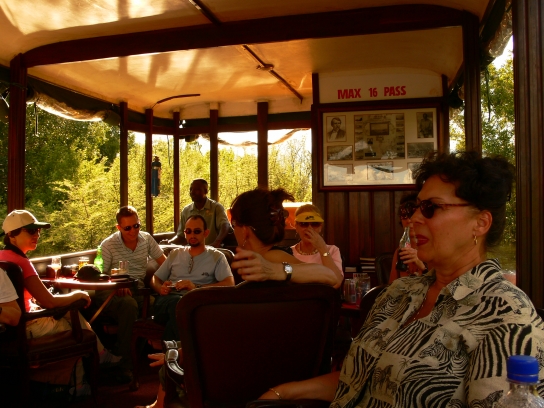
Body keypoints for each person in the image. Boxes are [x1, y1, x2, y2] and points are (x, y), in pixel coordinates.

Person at [259, 151, 544, 406]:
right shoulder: (400, 292)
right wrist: (284, 392)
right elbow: (359, 380)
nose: (415, 218)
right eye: (417, 207)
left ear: (480, 223)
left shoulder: (506, 315)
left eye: (431, 208)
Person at [136, 188, 339, 408]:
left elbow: (239, 346)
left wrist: (179, 355)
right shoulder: (289, 268)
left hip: (233, 388)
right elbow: (333, 279)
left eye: (234, 225)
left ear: (245, 231)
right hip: (293, 379)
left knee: (174, 357)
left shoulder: (264, 274)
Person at [0, 210, 119, 387]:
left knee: (70, 313)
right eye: (31, 231)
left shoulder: (3, 257)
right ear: (11, 235)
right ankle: (79, 384)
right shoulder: (21, 262)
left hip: (12, 328)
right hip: (28, 325)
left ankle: (99, 359)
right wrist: (77, 295)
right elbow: (49, 302)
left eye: (38, 231)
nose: (37, 235)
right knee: (76, 329)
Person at [96, 205, 167, 381]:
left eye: (136, 226)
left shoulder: (146, 239)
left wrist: (170, 280)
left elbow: (164, 263)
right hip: (111, 290)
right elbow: (99, 276)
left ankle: (134, 355)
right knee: (129, 305)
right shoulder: (108, 245)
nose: (133, 231)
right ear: (118, 227)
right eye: (128, 228)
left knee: (157, 305)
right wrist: (117, 284)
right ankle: (124, 363)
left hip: (137, 289)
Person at [152, 214, 234, 341]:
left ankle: (170, 349)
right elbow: (155, 278)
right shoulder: (175, 254)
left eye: (197, 231)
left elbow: (229, 284)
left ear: (206, 233)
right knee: (179, 305)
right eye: (188, 231)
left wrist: (196, 287)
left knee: (181, 312)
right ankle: (185, 349)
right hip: (168, 300)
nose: (192, 235)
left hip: (197, 302)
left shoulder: (217, 256)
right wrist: (160, 288)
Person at [169, 179, 230, 247]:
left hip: (211, 250)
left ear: (206, 191)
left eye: (197, 189)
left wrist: (217, 242)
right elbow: (180, 236)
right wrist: (169, 242)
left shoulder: (216, 207)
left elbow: (225, 225)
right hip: (191, 250)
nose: (192, 192)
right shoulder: (186, 210)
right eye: (191, 189)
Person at [291, 204, 343, 284]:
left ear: (320, 227)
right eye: (304, 224)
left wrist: (322, 248)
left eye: (315, 224)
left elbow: (337, 282)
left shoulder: (332, 250)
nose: (309, 228)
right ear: (296, 227)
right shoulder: (288, 252)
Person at [388, 192, 426, 283]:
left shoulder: (433, 250)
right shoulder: (400, 252)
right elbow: (391, 287)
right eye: (404, 216)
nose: (409, 220)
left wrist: (422, 266)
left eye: (412, 214)